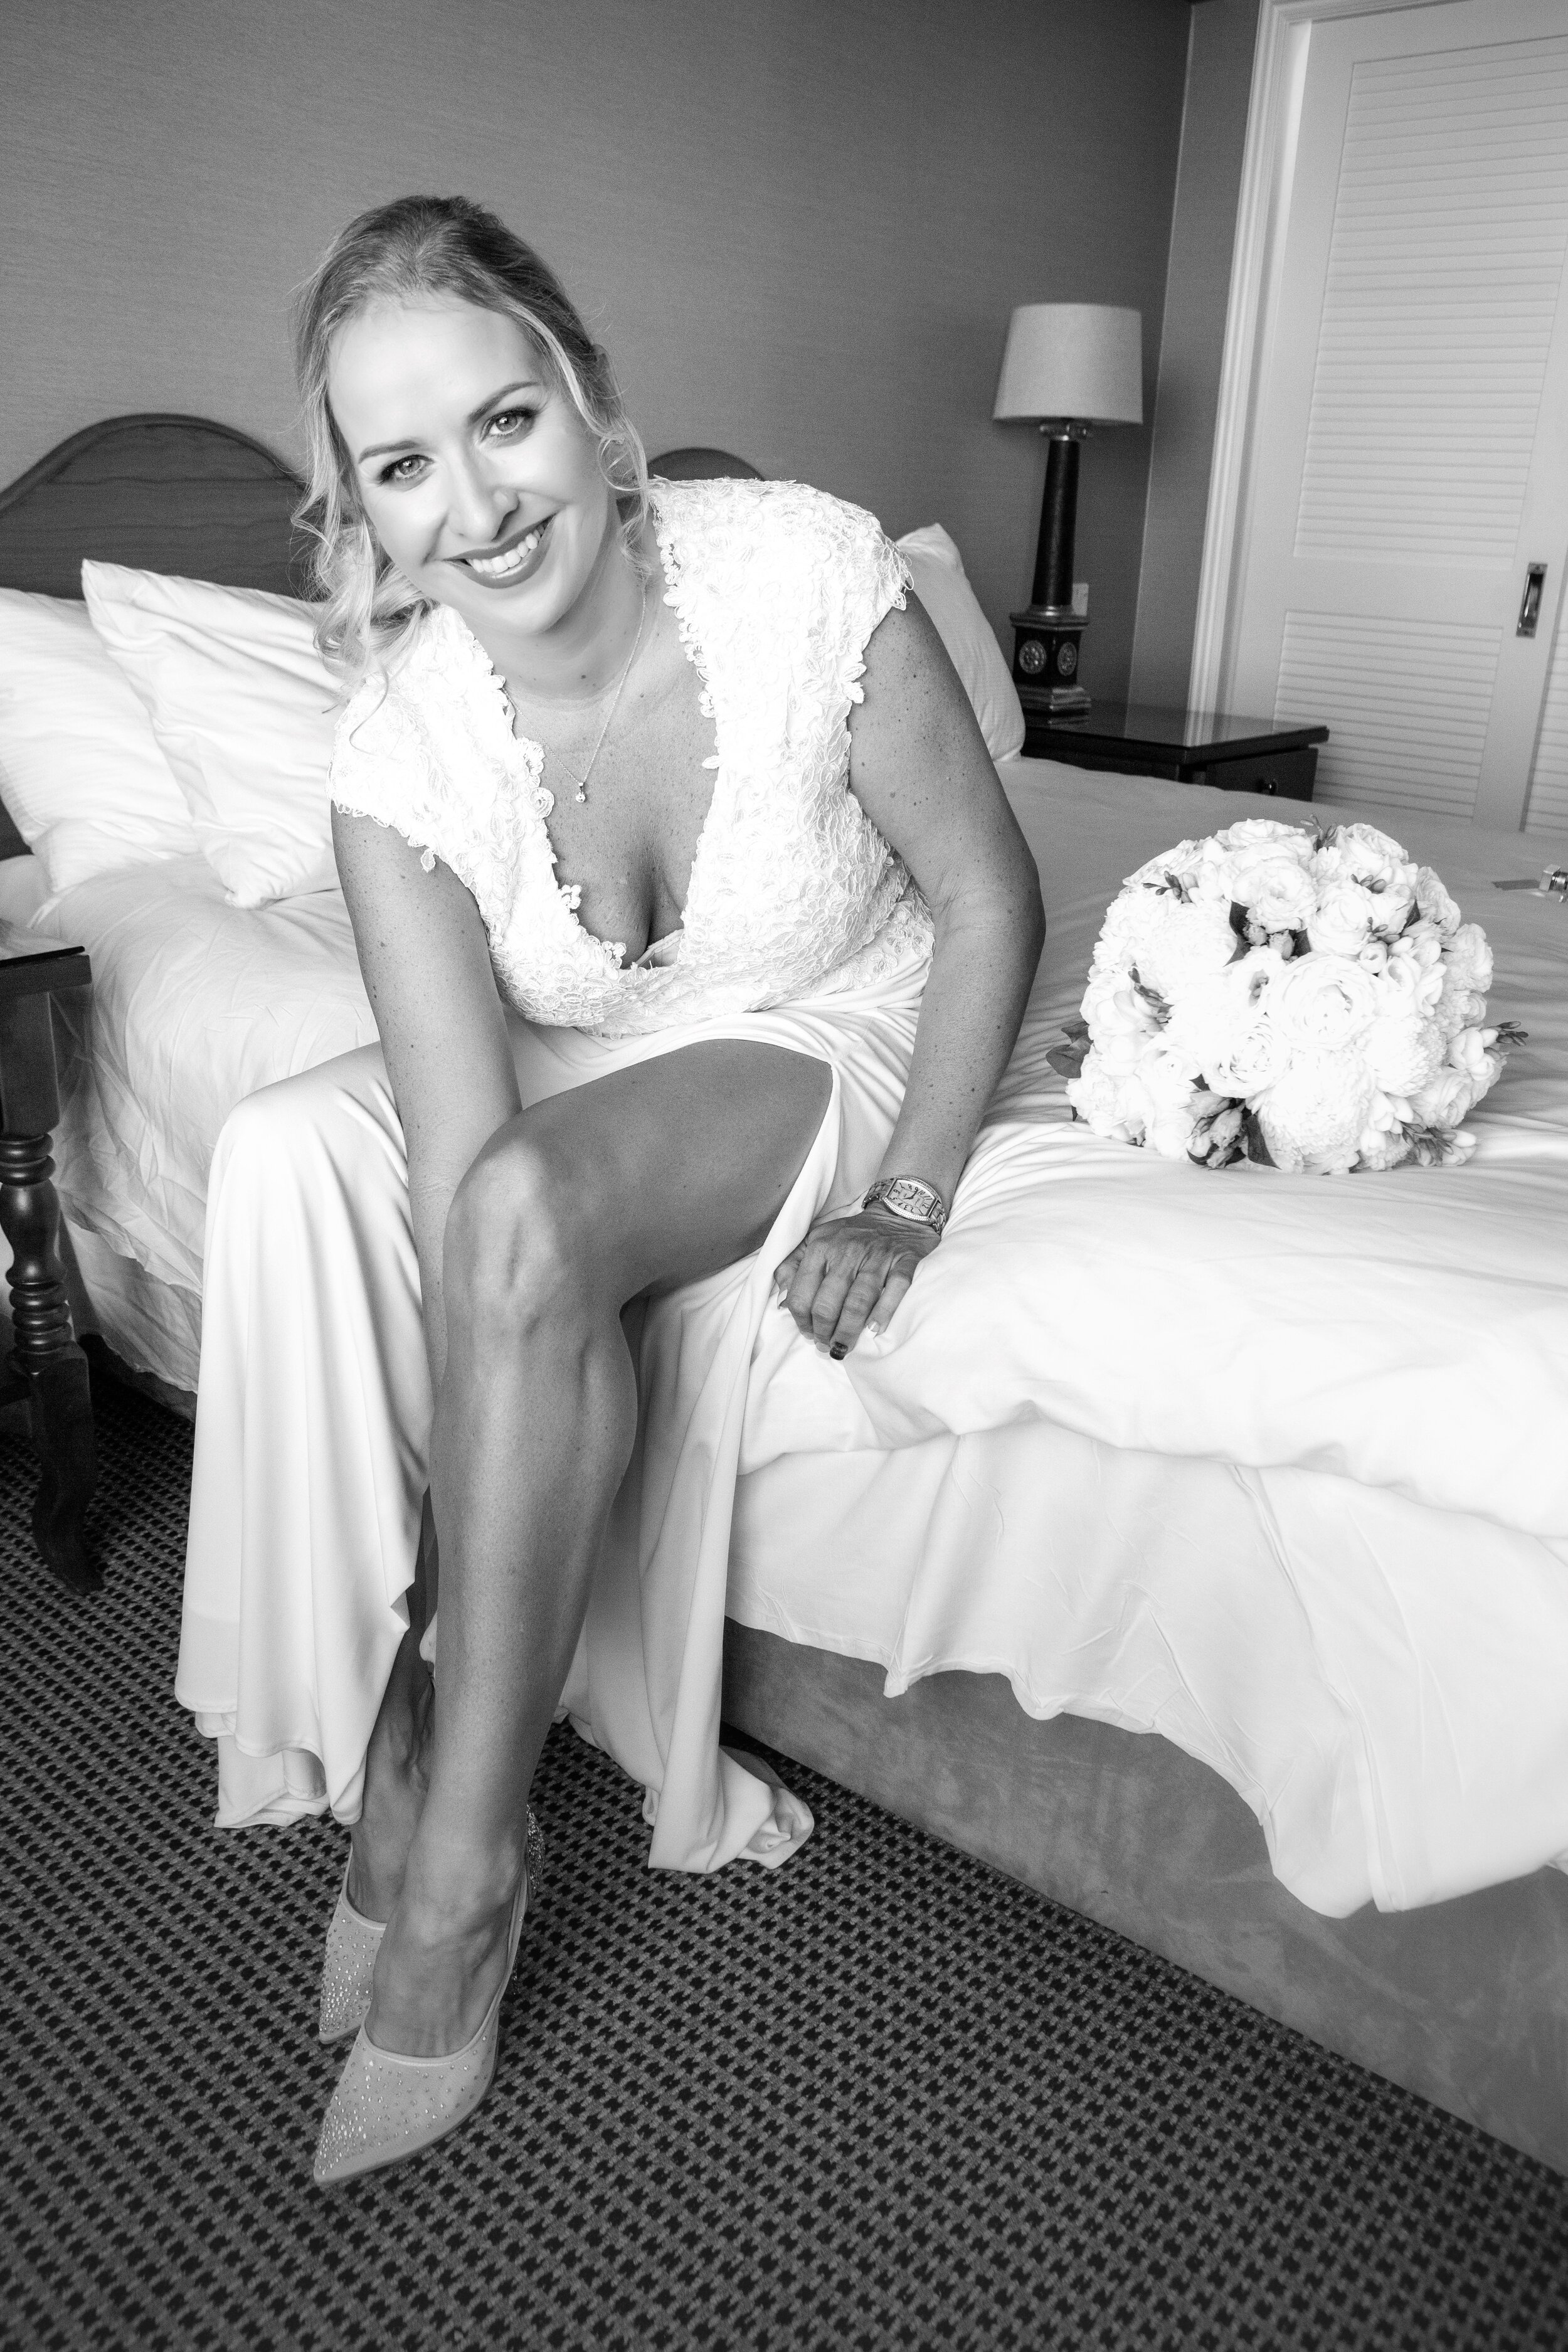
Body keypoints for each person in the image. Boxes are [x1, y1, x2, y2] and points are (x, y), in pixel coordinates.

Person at [174, 194, 1044, 2184]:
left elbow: (990, 893)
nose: (475, 504)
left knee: (531, 1225)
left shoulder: (804, 573)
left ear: (588, 405)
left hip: (828, 1011)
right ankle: (425, 1710)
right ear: (363, 517)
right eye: (402, 466)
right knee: (465, 1208)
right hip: (599, 1071)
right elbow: (482, 1183)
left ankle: (458, 1853)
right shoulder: (397, 756)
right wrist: (517, 1342)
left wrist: (903, 1199)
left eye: (502, 423)